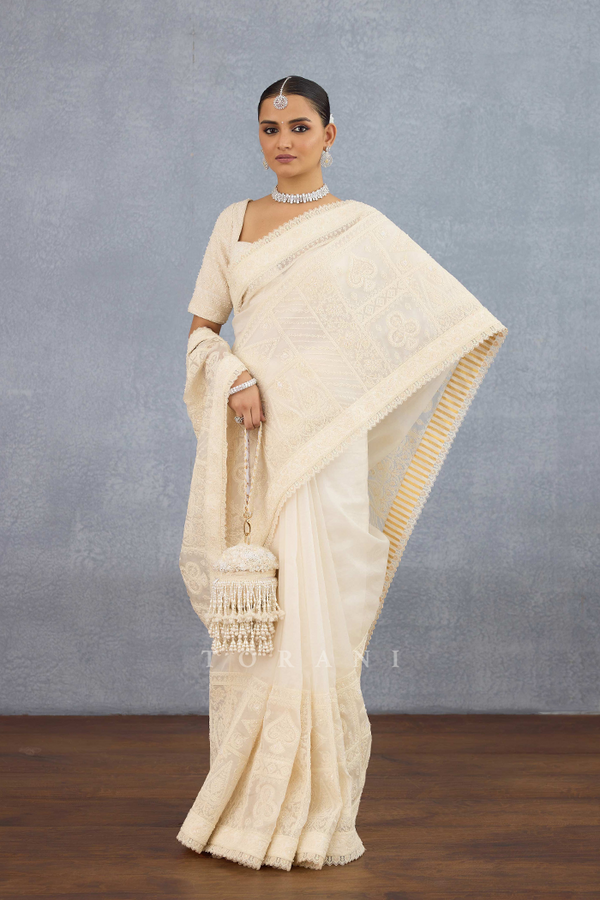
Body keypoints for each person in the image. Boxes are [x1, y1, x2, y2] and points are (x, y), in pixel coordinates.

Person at [176, 75, 508, 871]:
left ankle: (315, 811)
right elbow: (201, 330)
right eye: (269, 128)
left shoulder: (360, 228)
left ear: (330, 135)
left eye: (299, 126)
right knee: (261, 623)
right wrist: (234, 373)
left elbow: (420, 326)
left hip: (327, 453)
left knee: (322, 613)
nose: (283, 141)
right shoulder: (233, 222)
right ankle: (244, 807)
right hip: (258, 447)